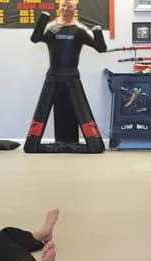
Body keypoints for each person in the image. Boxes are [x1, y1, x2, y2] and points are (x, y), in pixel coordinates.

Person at [23, 0, 107, 153]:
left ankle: (93, 143)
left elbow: (101, 48)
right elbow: (35, 39)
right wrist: (41, 22)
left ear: (75, 9)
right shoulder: (51, 28)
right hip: (53, 76)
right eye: (63, 5)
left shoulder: (79, 30)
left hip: (72, 77)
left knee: (80, 110)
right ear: (59, 7)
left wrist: (97, 33)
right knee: (43, 113)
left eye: (69, 6)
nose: (65, 8)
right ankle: (32, 143)